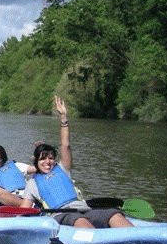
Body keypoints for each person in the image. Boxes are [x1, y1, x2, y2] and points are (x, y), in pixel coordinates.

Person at [20, 96, 133, 228]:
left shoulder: (63, 168)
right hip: (60, 215)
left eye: (50, 158)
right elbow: (24, 210)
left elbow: (65, 145)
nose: (47, 161)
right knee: (80, 221)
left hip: (84, 209)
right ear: (36, 162)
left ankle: (139, 240)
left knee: (113, 214)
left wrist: (63, 118)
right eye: (43, 158)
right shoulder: (32, 184)